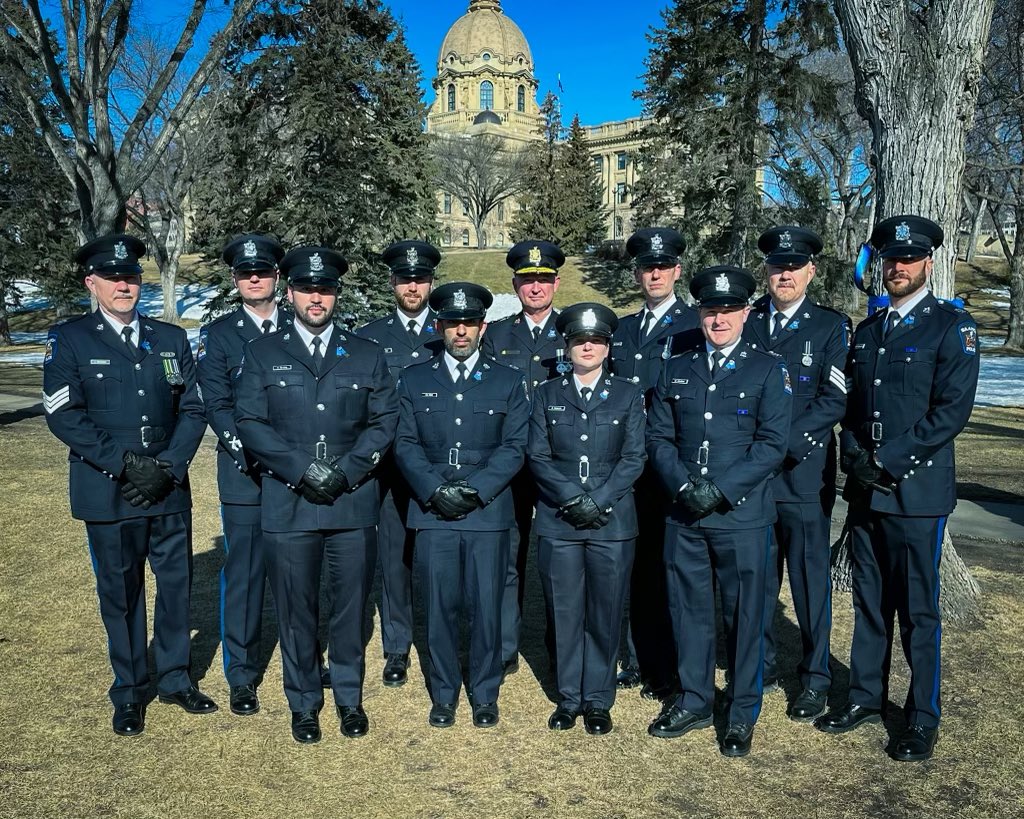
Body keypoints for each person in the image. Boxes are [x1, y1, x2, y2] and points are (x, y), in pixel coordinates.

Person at [816, 215, 980, 762]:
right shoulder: (868, 332)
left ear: (928, 263)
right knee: (869, 602)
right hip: (866, 491)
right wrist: (857, 455)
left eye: (909, 259)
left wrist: (886, 460)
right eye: (891, 259)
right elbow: (856, 407)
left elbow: (950, 411)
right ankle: (864, 696)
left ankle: (921, 715)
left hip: (916, 493)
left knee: (918, 611)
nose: (898, 267)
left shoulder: (950, 327)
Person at [43, 233, 216, 736]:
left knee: (177, 588)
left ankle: (176, 679)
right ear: (90, 282)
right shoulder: (71, 338)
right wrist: (125, 464)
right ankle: (129, 689)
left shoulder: (170, 338)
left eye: (131, 277)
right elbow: (63, 414)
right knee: (120, 592)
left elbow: (195, 406)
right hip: (109, 487)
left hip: (167, 485)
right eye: (113, 278)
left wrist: (169, 465)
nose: (124, 285)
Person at [234, 245, 398, 743]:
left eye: (325, 289)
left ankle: (349, 698)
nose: (316, 297)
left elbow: (384, 421)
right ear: (290, 293)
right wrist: (303, 470)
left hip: (351, 502)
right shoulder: (262, 351)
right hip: (288, 500)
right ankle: (303, 701)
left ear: (336, 296)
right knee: (295, 606)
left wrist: (345, 473)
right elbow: (251, 423)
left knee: (350, 607)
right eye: (307, 289)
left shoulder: (365, 353)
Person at [646, 265, 792, 757]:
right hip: (685, 513)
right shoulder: (676, 367)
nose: (719, 319)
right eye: (711, 311)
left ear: (747, 313)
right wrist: (684, 485)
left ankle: (743, 709)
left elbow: (772, 445)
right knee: (688, 610)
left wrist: (723, 489)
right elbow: (659, 437)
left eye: (729, 310)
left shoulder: (768, 369)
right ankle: (694, 698)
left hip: (742, 516)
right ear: (700, 314)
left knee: (745, 614)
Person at [395, 282, 529, 729]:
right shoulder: (414, 379)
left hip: (487, 513)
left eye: (469, 323)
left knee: (487, 606)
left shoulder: (508, 381)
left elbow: (515, 447)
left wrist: (475, 490)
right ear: (440, 326)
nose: (460, 332)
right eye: (452, 323)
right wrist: (434, 490)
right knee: (437, 607)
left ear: (482, 327)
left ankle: (486, 693)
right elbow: (405, 443)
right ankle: (445, 692)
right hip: (433, 514)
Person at [742, 226, 852, 719]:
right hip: (753, 478)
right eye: (775, 265)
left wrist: (781, 445)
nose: (783, 273)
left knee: (809, 580)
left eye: (793, 266)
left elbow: (834, 397)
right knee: (759, 577)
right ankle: (761, 663)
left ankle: (815, 676)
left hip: (803, 473)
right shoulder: (747, 319)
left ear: (811, 271)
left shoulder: (829, 326)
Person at [528, 303, 646, 735]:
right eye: (580, 341)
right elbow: (537, 456)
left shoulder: (628, 394)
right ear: (567, 346)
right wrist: (568, 497)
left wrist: (598, 500)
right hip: (559, 521)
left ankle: (597, 698)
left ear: (608, 347)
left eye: (595, 341)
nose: (588, 347)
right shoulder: (545, 394)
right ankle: (568, 697)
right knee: (565, 609)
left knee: (605, 610)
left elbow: (634, 458)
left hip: (611, 521)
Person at [198, 234, 287, 717]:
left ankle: (304, 660)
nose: (255, 278)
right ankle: (242, 673)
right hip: (246, 473)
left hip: (297, 474)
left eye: (264, 271)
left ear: (277, 276)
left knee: (300, 572)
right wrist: (252, 451)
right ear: (235, 280)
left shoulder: (300, 324)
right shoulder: (219, 335)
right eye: (245, 273)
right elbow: (216, 403)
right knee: (247, 574)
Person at [609, 227, 699, 698]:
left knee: (673, 569)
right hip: (628, 468)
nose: (655, 274)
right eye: (647, 267)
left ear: (677, 272)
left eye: (663, 267)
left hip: (671, 465)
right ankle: (636, 658)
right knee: (635, 566)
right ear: (638, 274)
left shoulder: (695, 325)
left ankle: (671, 667)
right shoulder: (621, 330)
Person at [357, 240, 443, 688]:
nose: (413, 286)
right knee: (393, 560)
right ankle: (396, 647)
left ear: (432, 283)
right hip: (388, 468)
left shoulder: (451, 329)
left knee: (438, 558)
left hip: (436, 467)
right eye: (405, 279)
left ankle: (442, 640)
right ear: (392, 282)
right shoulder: (370, 337)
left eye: (421, 278)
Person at [480, 240, 566, 678]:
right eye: (528, 279)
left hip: (558, 464)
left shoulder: (574, 332)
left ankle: (559, 647)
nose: (536, 287)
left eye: (544, 279)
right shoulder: (496, 335)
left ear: (556, 282)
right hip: (510, 464)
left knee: (557, 562)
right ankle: (505, 644)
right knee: (507, 556)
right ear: (515, 283)